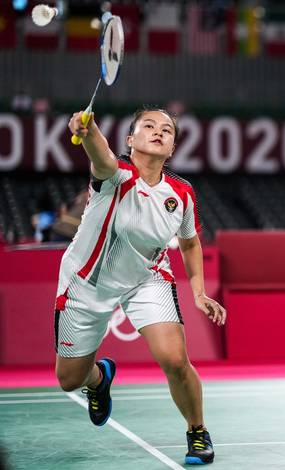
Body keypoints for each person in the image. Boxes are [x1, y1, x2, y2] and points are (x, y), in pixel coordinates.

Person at [62, 107, 226, 465]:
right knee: (69, 379)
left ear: (172, 147)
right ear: (130, 140)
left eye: (166, 130)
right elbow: (99, 154)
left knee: (174, 359)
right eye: (148, 126)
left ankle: (197, 431)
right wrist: (86, 131)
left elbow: (190, 242)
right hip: (87, 281)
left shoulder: (181, 193)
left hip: (147, 277)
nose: (158, 132)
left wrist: (198, 292)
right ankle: (98, 379)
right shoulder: (115, 175)